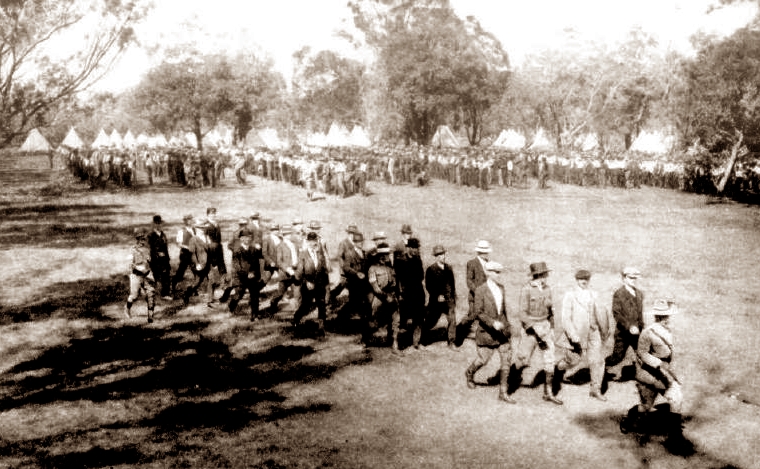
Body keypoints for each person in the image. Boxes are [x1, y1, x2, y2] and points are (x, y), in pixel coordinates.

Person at [621, 298, 688, 450]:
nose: (666, 319)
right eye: (662, 317)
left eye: (667, 316)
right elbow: (642, 353)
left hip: (663, 373)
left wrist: (671, 371)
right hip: (648, 374)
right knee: (646, 407)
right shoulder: (648, 332)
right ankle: (628, 418)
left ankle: (675, 435)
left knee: (675, 397)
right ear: (656, 317)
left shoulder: (667, 331)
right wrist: (658, 364)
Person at [508, 262, 563, 405]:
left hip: (545, 327)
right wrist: (534, 329)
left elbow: (550, 311)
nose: (546, 277)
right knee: (523, 359)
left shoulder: (547, 289)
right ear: (537, 276)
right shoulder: (526, 289)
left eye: (546, 275)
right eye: (544, 275)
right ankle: (509, 382)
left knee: (550, 360)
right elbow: (522, 313)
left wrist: (551, 328)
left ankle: (548, 393)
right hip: (531, 330)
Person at [555, 269, 611, 401]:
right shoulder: (570, 295)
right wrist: (572, 334)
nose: (584, 281)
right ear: (577, 280)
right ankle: (558, 369)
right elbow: (566, 318)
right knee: (573, 360)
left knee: (597, 360)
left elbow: (602, 312)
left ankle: (595, 389)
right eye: (581, 279)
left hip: (594, 332)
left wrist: (604, 330)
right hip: (578, 333)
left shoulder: (594, 294)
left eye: (586, 279)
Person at [464, 262, 514, 402]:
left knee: (506, 360)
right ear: (488, 273)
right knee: (483, 360)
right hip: (487, 332)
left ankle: (503, 393)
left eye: (499, 272)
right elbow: (478, 312)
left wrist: (507, 326)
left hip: (502, 332)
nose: (499, 275)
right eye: (496, 272)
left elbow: (503, 311)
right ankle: (469, 373)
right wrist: (492, 323)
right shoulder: (480, 290)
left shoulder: (501, 288)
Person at [604, 266, 645, 389]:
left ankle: (643, 377)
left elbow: (640, 314)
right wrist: (629, 327)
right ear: (624, 278)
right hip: (623, 334)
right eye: (630, 278)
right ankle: (600, 367)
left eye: (635, 278)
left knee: (642, 354)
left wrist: (642, 328)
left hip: (638, 333)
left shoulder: (639, 293)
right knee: (617, 357)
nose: (633, 280)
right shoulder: (619, 294)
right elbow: (617, 314)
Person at [293, 231, 330, 333]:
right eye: (311, 241)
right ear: (307, 242)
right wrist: (306, 282)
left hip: (319, 283)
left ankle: (321, 327)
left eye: (315, 241)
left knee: (321, 304)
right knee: (306, 305)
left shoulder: (320, 254)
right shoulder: (303, 254)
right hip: (308, 284)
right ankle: (296, 318)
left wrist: (326, 284)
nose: (313, 243)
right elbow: (299, 272)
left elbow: (323, 269)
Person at [424, 244, 458, 350]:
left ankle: (451, 342)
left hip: (448, 300)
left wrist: (453, 297)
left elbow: (452, 284)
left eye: (443, 254)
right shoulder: (431, 269)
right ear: (436, 257)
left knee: (452, 320)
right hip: (436, 301)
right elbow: (429, 286)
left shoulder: (449, 268)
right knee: (431, 321)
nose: (442, 257)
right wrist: (437, 296)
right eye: (439, 255)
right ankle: (422, 338)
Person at [367, 242, 400, 351]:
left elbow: (395, 283)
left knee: (396, 320)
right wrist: (386, 297)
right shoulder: (372, 269)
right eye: (384, 255)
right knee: (375, 322)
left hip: (392, 296)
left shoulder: (390, 268)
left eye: (387, 254)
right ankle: (366, 338)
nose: (387, 257)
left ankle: (394, 343)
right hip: (380, 297)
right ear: (379, 256)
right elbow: (375, 288)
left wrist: (396, 296)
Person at [395, 237, 425, 349]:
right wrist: (400, 294)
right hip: (405, 294)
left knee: (418, 318)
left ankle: (416, 342)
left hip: (417, 292)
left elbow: (421, 276)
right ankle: (399, 344)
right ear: (408, 248)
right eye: (414, 248)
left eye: (417, 248)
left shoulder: (418, 260)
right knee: (403, 320)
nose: (416, 250)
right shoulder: (400, 260)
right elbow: (397, 278)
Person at [460, 240, 491, 341]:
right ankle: (458, 331)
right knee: (472, 315)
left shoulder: (489, 264)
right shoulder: (472, 263)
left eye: (487, 252)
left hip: (486, 296)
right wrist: (477, 291)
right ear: (480, 252)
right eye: (485, 252)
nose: (487, 254)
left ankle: (481, 334)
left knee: (484, 315)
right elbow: (469, 281)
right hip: (474, 296)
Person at [228, 234, 264, 321]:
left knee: (255, 295)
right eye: (245, 238)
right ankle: (231, 305)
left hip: (253, 276)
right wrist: (246, 274)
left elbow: (257, 263)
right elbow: (237, 266)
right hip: (241, 277)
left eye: (249, 238)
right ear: (241, 239)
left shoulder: (254, 249)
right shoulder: (237, 251)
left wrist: (254, 273)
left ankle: (254, 315)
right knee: (239, 295)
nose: (247, 239)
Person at [268, 224, 300, 316]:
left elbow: (298, 257)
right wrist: (287, 269)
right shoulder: (280, 246)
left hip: (295, 272)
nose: (288, 236)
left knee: (297, 293)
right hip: (285, 274)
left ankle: (297, 312)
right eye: (286, 234)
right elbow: (279, 261)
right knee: (280, 293)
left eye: (289, 234)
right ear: (283, 235)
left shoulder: (295, 245)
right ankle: (273, 303)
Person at [126, 228, 156, 323]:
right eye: (141, 239)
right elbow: (130, 264)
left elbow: (150, 262)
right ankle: (127, 309)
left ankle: (150, 317)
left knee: (151, 294)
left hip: (147, 275)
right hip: (136, 275)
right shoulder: (132, 250)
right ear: (137, 239)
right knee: (134, 295)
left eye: (144, 239)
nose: (143, 241)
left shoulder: (147, 250)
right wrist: (139, 268)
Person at [204, 207, 228, 308]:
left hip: (219, 252)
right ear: (207, 215)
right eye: (211, 214)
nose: (213, 215)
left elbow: (219, 240)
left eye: (214, 213)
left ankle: (224, 292)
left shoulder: (216, 224)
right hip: (210, 253)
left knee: (224, 273)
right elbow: (206, 241)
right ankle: (210, 300)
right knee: (211, 278)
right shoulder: (206, 225)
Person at [147, 214, 171, 299]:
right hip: (156, 260)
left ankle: (165, 294)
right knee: (156, 276)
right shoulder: (151, 235)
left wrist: (167, 258)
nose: (159, 225)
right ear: (154, 224)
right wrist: (157, 254)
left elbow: (165, 247)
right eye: (157, 223)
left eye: (160, 223)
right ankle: (153, 293)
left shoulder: (163, 234)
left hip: (164, 259)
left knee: (166, 275)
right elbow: (150, 248)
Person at [171, 214, 195, 295]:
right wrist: (188, 247)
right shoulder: (181, 231)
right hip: (185, 254)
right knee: (181, 271)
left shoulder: (194, 230)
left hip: (193, 254)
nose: (190, 221)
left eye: (191, 219)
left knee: (195, 271)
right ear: (185, 221)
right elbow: (179, 244)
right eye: (188, 220)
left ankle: (194, 288)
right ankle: (173, 286)